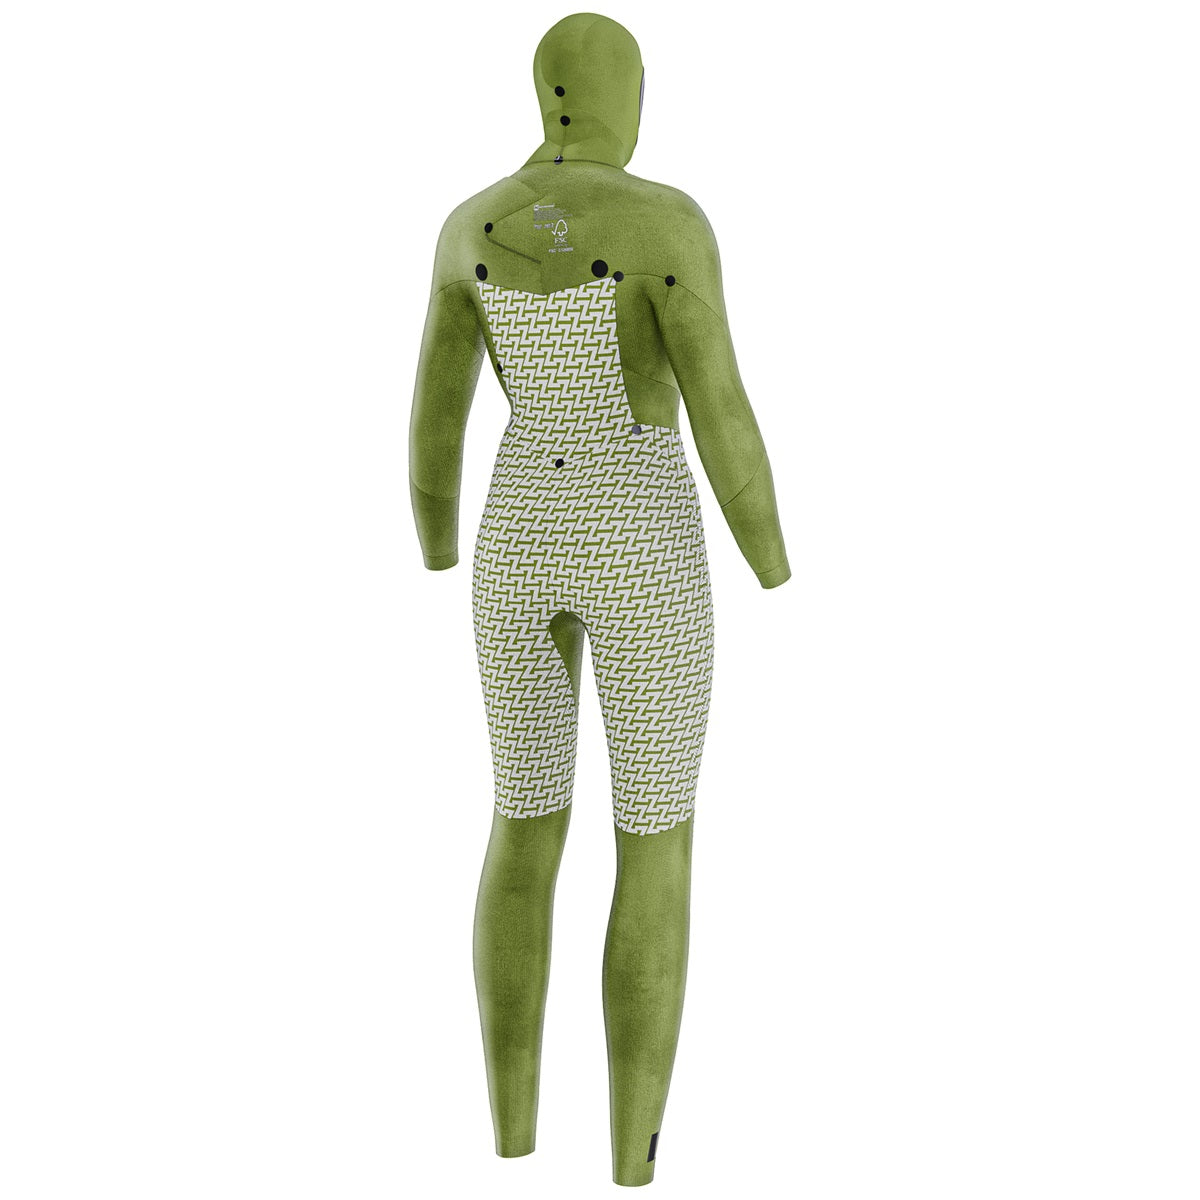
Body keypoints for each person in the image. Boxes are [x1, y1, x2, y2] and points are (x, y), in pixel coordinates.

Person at [408, 12, 791, 1186]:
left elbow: (434, 418)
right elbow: (721, 409)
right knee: (655, 838)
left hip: (517, 534)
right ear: (626, 97)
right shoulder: (665, 222)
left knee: (522, 824)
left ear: (545, 97)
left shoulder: (467, 226)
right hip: (638, 534)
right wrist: (771, 554)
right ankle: (631, 1162)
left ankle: (511, 1139)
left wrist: (435, 542)